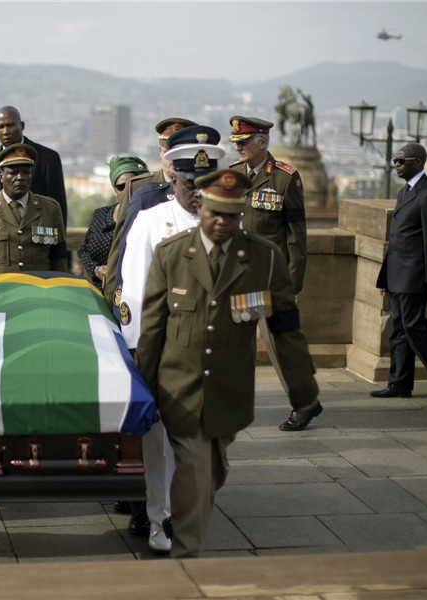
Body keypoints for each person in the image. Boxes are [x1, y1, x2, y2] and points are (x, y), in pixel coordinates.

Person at [136, 169, 321, 558]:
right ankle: (185, 559)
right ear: (199, 206)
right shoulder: (170, 256)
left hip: (229, 391)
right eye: (215, 213)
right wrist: (144, 393)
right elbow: (152, 330)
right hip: (179, 388)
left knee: (212, 470)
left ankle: (190, 524)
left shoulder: (264, 259)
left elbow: (286, 330)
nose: (222, 223)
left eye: (232, 215)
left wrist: (303, 392)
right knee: (193, 468)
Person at [118, 125, 224, 553]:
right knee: (160, 445)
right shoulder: (150, 222)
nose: (197, 192)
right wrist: (139, 350)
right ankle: (161, 518)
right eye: (188, 183)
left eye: (204, 183)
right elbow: (135, 291)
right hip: (165, 354)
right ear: (173, 179)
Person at [228, 116, 318, 431]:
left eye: (243, 142)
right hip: (239, 278)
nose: (237, 147)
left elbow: (297, 237)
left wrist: (292, 283)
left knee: (282, 345)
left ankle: (306, 403)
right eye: (235, 143)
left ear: (262, 143)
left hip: (271, 280)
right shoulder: (230, 177)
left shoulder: (284, 179)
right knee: (235, 340)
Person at [371, 143, 427, 403]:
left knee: (414, 326)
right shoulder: (405, 192)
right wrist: (386, 277)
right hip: (398, 275)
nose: (397, 165)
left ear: (419, 162)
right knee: (398, 329)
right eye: (395, 161)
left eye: (402, 161)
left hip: (414, 276)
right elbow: (397, 239)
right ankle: (399, 383)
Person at [103, 118, 197, 308]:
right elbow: (121, 245)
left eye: (177, 154)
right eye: (167, 153)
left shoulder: (201, 188)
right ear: (160, 151)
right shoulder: (139, 187)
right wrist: (114, 296)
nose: (171, 160)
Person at [0, 142, 69, 288]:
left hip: (38, 294)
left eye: (26, 172)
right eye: (13, 173)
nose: (20, 177)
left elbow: (59, 261)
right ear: (1, 175)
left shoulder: (50, 209)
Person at [0, 105, 67, 223]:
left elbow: (58, 208)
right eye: (0, 127)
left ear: (22, 126)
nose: (5, 132)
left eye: (10, 125)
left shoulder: (47, 159)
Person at [79, 155, 149, 292]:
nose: (127, 192)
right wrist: (96, 269)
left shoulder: (149, 217)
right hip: (98, 295)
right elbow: (84, 250)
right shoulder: (101, 215)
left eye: (132, 186)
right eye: (121, 187)